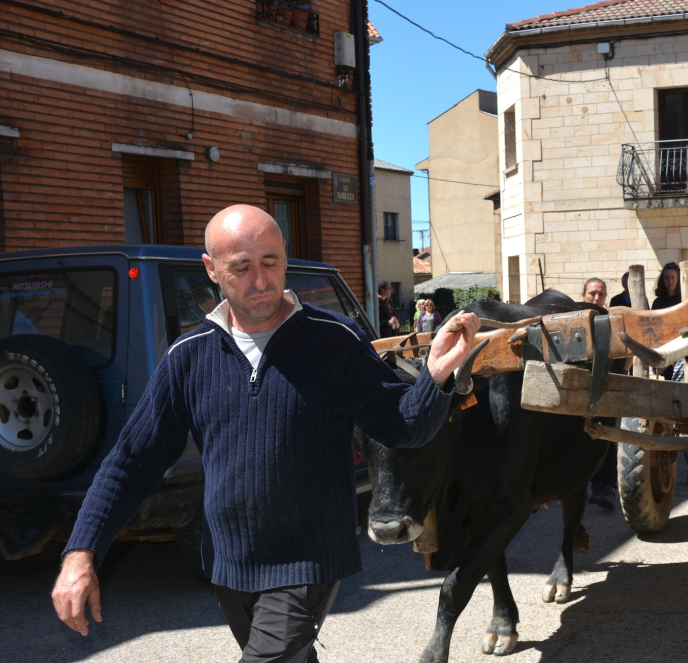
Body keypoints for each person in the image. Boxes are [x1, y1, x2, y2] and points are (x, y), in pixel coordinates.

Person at [50, 205, 481, 662]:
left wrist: (434, 377)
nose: (261, 280)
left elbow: (402, 426)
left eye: (271, 262)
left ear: (285, 258)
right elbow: (132, 461)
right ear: (211, 269)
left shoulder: (333, 339)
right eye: (242, 266)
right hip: (229, 565)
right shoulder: (188, 357)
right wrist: (81, 553)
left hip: (309, 559)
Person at [579, 278, 619, 511]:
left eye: (601, 294)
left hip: (607, 386)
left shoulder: (610, 320)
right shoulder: (573, 318)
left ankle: (609, 486)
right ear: (584, 295)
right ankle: (592, 484)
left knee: (607, 435)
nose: (596, 298)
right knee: (584, 437)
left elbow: (626, 350)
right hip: (582, 388)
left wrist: (622, 373)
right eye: (593, 293)